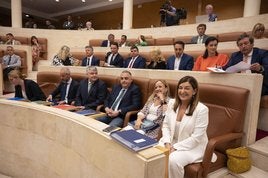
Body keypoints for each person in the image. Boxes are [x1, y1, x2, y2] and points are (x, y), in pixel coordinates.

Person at [158, 76, 216, 178]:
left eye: (187, 88)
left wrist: (174, 148)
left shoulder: (202, 110)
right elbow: (166, 125)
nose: (182, 91)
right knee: (154, 153)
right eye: (180, 88)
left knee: (173, 159)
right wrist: (167, 142)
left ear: (194, 91)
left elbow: (196, 138)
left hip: (193, 147)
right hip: (172, 141)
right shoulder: (172, 103)